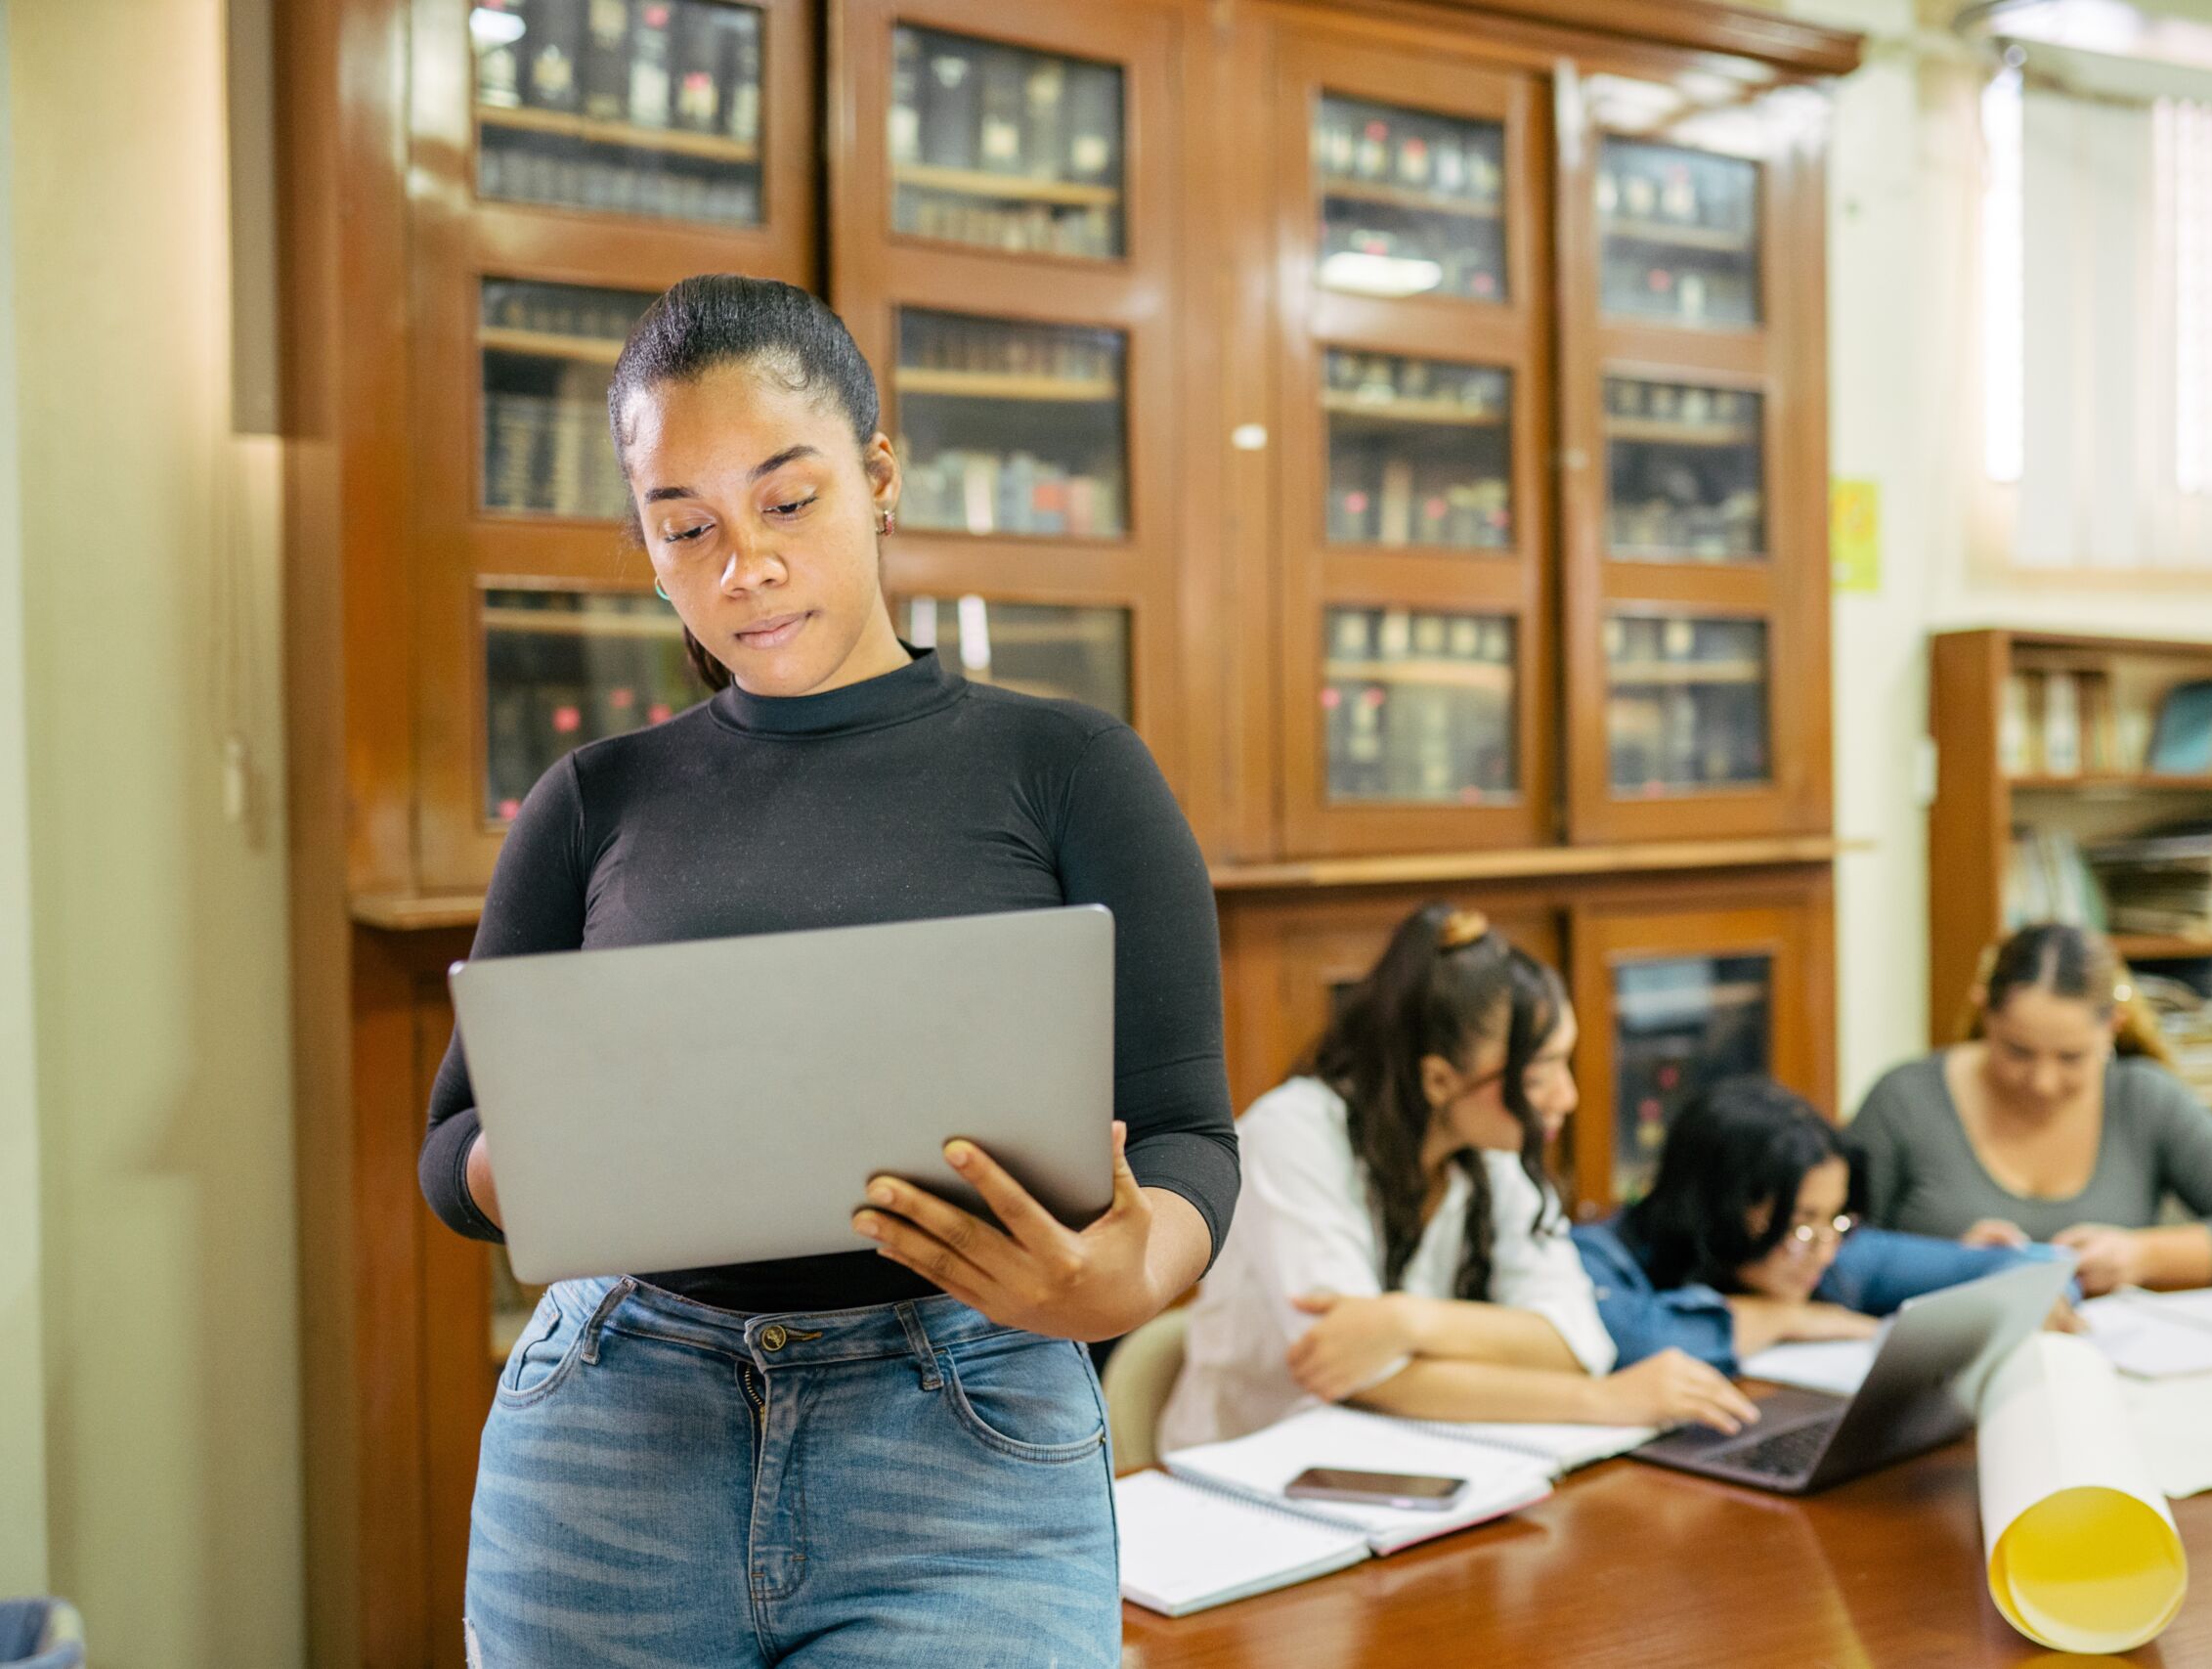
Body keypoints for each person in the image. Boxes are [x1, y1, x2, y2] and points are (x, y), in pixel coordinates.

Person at [418, 276, 1237, 1667]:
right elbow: (452, 1149)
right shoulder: (592, 799)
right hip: (620, 1415)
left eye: (787, 503)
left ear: (876, 478)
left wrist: (1122, 1275)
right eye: (686, 527)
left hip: (964, 1417)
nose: (744, 564)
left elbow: (1185, 1133)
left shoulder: (1070, 770)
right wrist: (553, 1157)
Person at [1158, 903, 1758, 1453]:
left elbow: (1579, 1340)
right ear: (1440, 1080)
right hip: (1250, 1472)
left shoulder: (1489, 1146)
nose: (1567, 1097)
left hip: (1416, 1456)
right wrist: (1602, 1402)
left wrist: (1407, 1322)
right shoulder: (1292, 1134)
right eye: (1538, 1074)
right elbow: (1349, 1369)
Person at [1850, 923, 2212, 1296]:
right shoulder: (1905, 1101)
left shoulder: (2143, 1099)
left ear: (2112, 1028)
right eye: (2017, 1052)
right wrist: (1950, 1268)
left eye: (2071, 1058)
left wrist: (2141, 1255)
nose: (2042, 1082)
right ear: (1984, 1013)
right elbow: (1822, 1253)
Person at [1571, 1076, 2056, 1373]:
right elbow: (1630, 1340)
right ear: (1718, 1205)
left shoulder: (1833, 1252)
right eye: (1799, 1223)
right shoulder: (1594, 1258)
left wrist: (2021, 1302)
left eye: (1838, 1219)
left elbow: (2034, 1266)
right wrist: (1789, 1317)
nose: (1825, 1251)